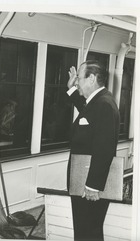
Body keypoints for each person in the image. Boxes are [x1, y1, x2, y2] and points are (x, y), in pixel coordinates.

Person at [66, 60, 120, 241]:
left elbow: (104, 148)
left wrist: (92, 186)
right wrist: (71, 90)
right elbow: (86, 110)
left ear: (91, 78)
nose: (76, 82)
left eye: (78, 79)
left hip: (90, 187)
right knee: (87, 231)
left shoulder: (103, 104)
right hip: (85, 182)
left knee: (87, 233)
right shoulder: (98, 101)